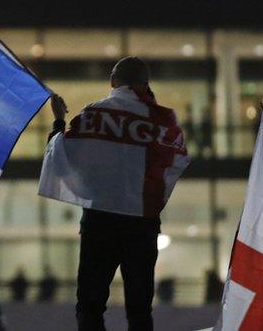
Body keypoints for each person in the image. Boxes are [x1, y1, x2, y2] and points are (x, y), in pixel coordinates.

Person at [49, 56, 189, 331]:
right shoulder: (162, 122)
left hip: (99, 222)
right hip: (142, 224)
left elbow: (62, 162)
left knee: (90, 307)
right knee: (139, 311)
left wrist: (58, 121)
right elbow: (178, 162)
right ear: (145, 84)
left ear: (113, 81)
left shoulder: (93, 115)